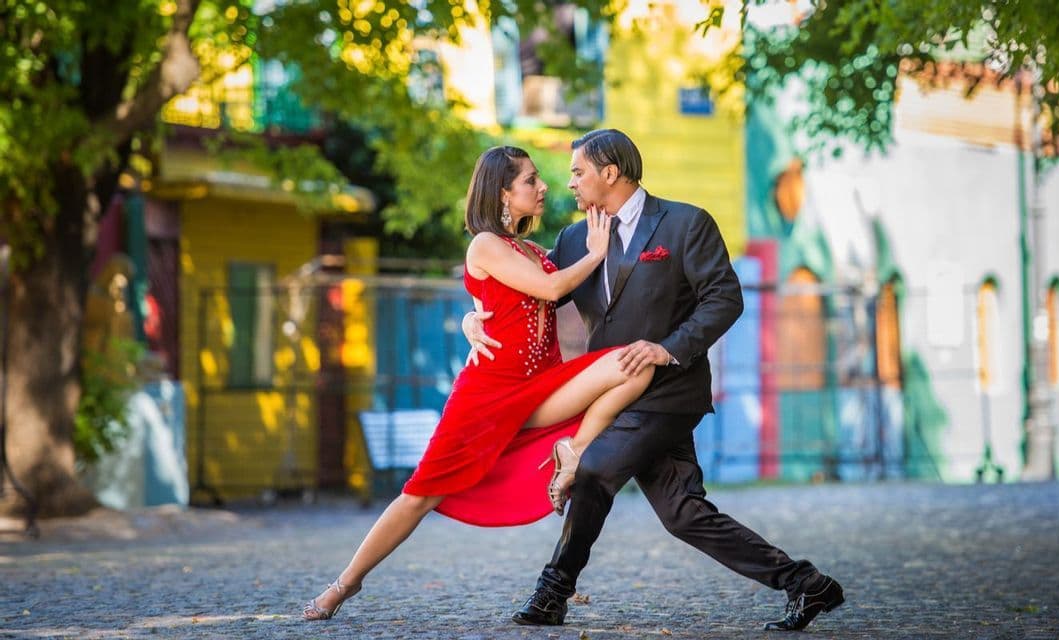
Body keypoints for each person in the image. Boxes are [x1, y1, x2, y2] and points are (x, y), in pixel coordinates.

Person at [464, 129, 844, 632]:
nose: (570, 183)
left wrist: (668, 349)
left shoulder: (686, 223)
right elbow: (528, 296)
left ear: (610, 173)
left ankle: (551, 592)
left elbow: (725, 299)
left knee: (594, 468)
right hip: (612, 395)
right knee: (684, 513)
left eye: (579, 172)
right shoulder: (575, 239)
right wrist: (474, 319)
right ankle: (808, 584)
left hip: (669, 392)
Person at [302, 145, 653, 621]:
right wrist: (595, 254)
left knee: (637, 364)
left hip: (543, 386)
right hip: (487, 396)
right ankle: (344, 585)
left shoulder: (530, 249)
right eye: (531, 180)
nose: (544, 185)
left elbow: (510, 296)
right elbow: (550, 289)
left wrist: (474, 315)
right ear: (503, 193)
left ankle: (572, 451)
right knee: (420, 495)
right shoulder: (484, 244)